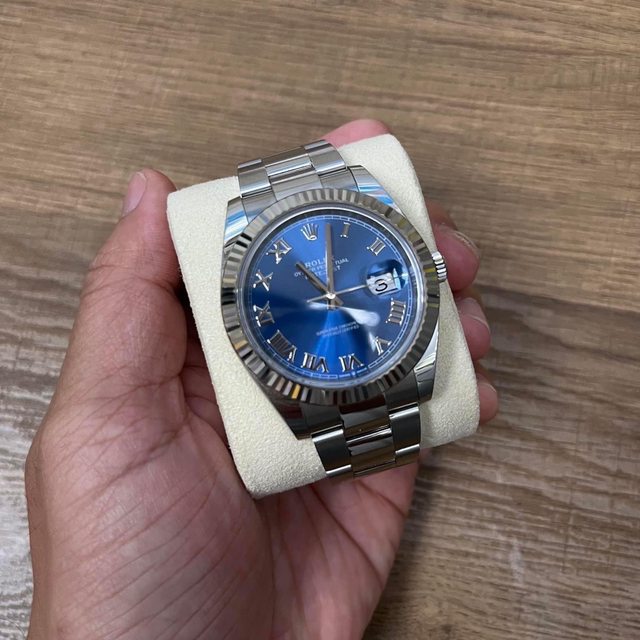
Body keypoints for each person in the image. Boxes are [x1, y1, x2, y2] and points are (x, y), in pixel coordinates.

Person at [25, 119, 497, 639]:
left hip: (386, 358)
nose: (331, 299)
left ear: (426, 267)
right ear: (237, 324)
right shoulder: (249, 291)